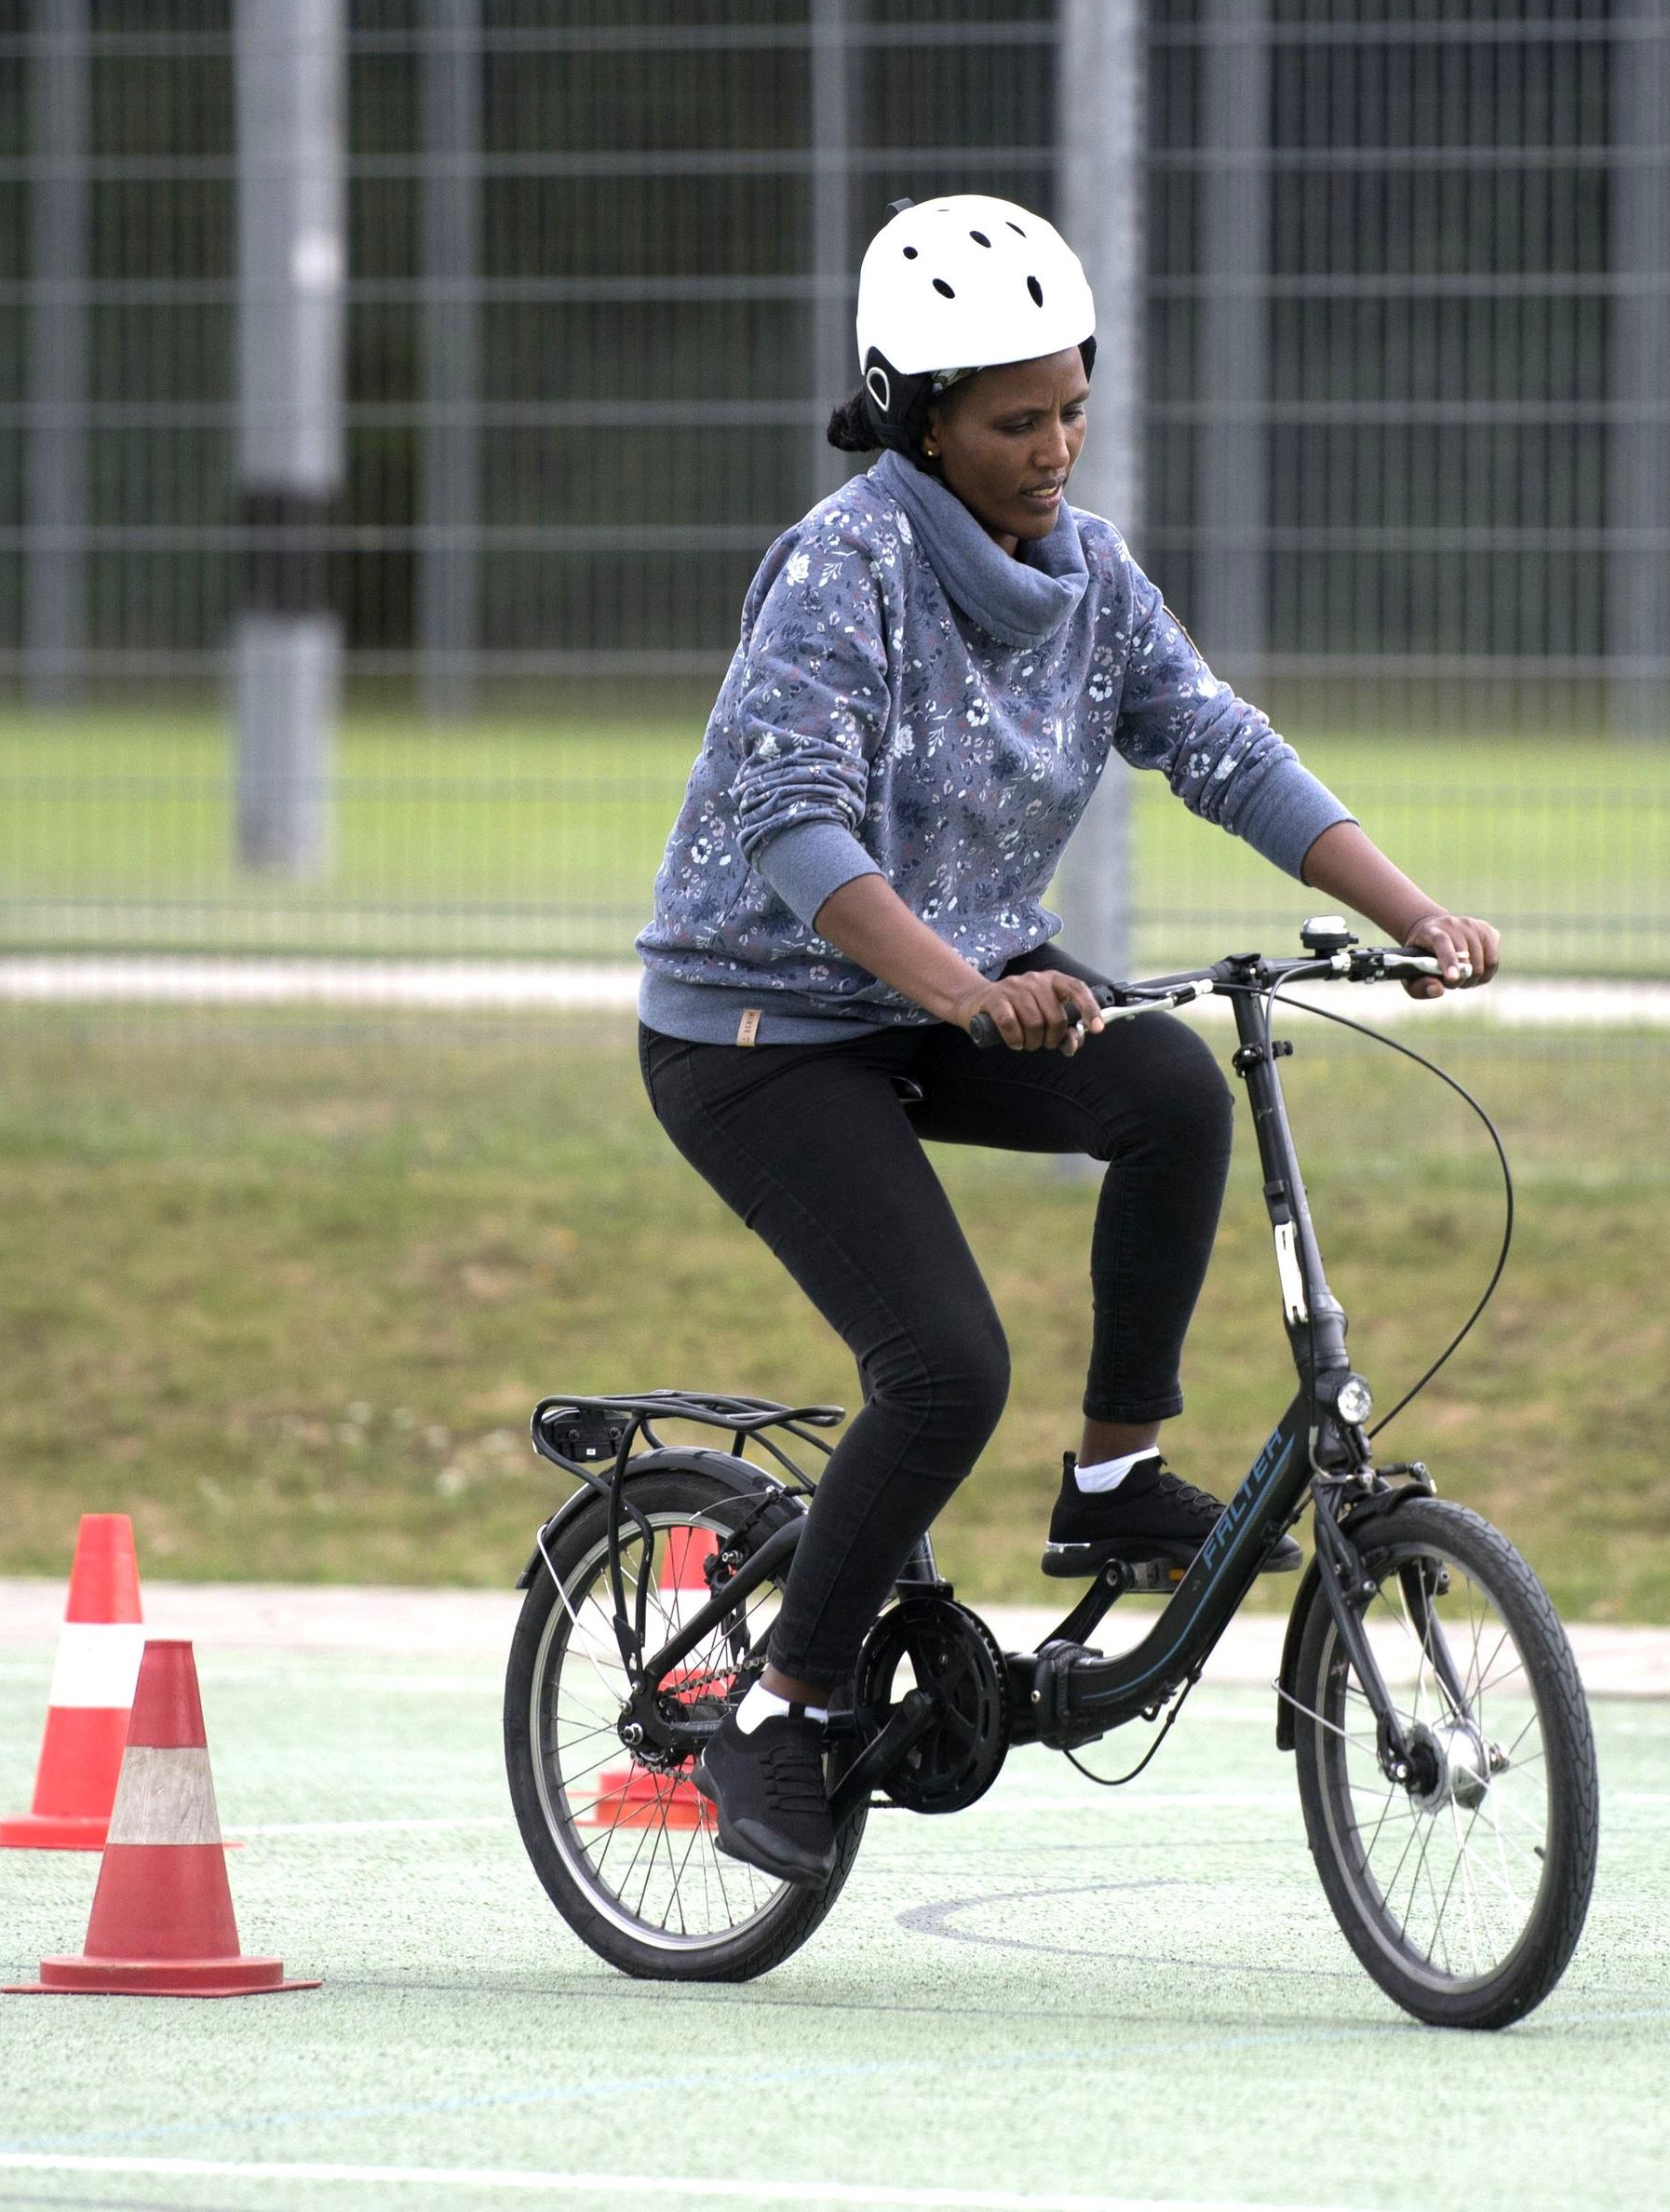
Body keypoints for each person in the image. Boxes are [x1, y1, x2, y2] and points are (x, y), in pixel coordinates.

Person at [635, 196, 1502, 1884]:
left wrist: (1413, 912)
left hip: (957, 986)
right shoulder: (840, 567)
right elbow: (793, 829)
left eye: (1073, 409)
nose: (1054, 449)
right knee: (944, 1369)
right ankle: (780, 1710)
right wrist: (964, 991)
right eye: (1014, 421)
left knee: (1171, 1088)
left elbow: (1221, 746)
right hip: (760, 1026)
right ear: (917, 419)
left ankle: (1112, 1479)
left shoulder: (1089, 574)